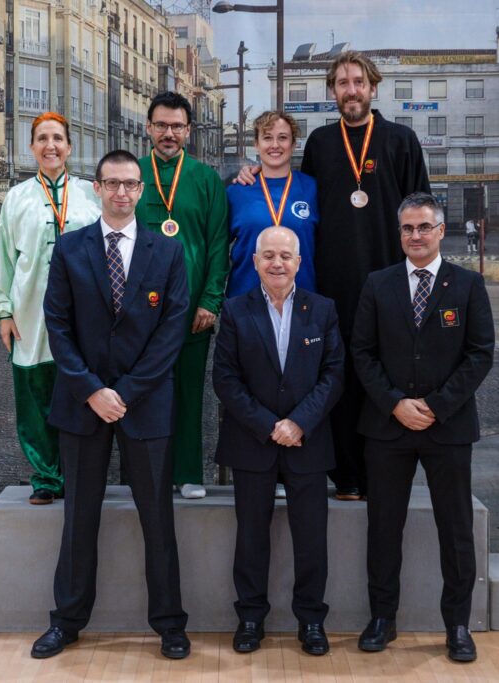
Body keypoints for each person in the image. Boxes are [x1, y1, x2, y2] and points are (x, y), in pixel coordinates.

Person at [237, 51, 431, 501]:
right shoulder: (322, 144)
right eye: (343, 83)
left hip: (389, 282)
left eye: (358, 81)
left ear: (373, 87)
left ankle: (383, 475)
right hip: (334, 285)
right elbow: (295, 198)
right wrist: (252, 170)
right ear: (333, 91)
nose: (351, 90)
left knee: (384, 377)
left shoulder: (401, 140)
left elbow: (421, 214)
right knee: (337, 379)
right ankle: (345, 476)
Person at [32, 150, 192, 660]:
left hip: (145, 403)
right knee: (79, 518)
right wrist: (91, 390)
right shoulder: (70, 248)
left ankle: (170, 624)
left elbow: (173, 329)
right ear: (97, 188)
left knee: (158, 519)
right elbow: (57, 325)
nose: (122, 192)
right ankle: (66, 622)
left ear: (141, 191)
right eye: (112, 183)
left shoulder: (168, 251)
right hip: (83, 404)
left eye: (130, 184)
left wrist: (127, 392)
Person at [350, 192, 494, 663]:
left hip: (447, 428)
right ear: (400, 234)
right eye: (408, 228)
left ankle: (457, 625)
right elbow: (362, 353)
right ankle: (382, 618)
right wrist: (395, 404)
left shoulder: (468, 285)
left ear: (441, 231)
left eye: (424, 227)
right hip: (387, 428)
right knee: (383, 528)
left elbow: (480, 354)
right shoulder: (378, 284)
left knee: (456, 530)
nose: (415, 235)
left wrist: (435, 405)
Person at [212, 227, 344, 658]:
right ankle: (251, 618)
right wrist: (270, 425)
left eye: (285, 256)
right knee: (251, 537)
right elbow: (225, 379)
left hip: (308, 442)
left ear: (298, 262)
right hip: (253, 442)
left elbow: (333, 375)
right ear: (254, 262)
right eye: (268, 255)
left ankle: (312, 620)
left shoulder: (322, 310)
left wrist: (299, 423)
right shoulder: (235, 311)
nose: (277, 263)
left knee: (312, 539)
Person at [0, 112, 101, 505]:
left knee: (81, 392)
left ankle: (78, 473)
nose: (50, 145)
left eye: (57, 138)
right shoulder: (17, 197)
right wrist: (3, 311)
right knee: (35, 396)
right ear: (32, 146)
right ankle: (47, 477)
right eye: (42, 138)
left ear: (69, 146)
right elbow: (5, 257)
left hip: (84, 313)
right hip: (30, 312)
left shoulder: (90, 194)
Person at [137, 91, 230, 500]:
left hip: (192, 310)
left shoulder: (205, 179)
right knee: (141, 394)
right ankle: (143, 475)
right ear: (148, 128)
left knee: (189, 393)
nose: (168, 134)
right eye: (161, 125)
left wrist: (210, 301)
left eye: (176, 126)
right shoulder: (133, 174)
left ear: (189, 131)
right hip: (139, 313)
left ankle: (188, 472)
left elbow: (218, 244)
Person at [226, 112, 319, 298]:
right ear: (256, 144)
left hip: (301, 299)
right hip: (245, 299)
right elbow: (217, 250)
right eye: (267, 138)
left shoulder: (312, 188)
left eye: (282, 138)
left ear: (293, 144)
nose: (275, 145)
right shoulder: (236, 191)